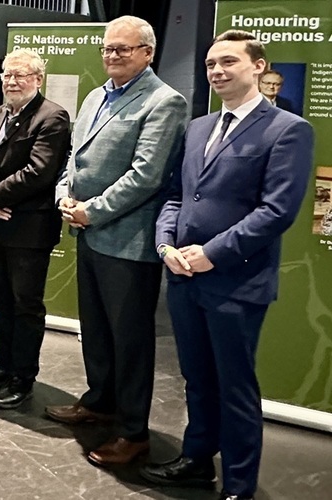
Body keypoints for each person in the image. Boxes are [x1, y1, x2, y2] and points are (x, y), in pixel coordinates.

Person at [141, 31, 314, 500]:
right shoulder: (197, 128)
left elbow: (277, 211)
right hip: (183, 277)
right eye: (211, 63)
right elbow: (177, 196)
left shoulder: (287, 129)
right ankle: (196, 461)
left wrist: (211, 253)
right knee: (196, 379)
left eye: (229, 62)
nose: (216, 71)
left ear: (258, 66)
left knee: (235, 387)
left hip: (236, 282)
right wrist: (165, 246)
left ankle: (239, 484)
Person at [49, 15, 188, 466]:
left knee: (129, 340)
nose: (111, 56)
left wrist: (94, 210)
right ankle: (99, 403)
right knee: (96, 331)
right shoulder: (95, 97)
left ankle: (133, 432)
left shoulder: (165, 101)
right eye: (108, 48)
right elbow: (75, 158)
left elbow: (147, 175)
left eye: (122, 49)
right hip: (87, 232)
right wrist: (64, 196)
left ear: (147, 53)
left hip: (127, 242)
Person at [0, 49, 72, 408]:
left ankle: (23, 377)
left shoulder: (52, 117)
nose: (11, 81)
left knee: (26, 305)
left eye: (20, 75)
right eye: (6, 75)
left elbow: (39, 172)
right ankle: (3, 364)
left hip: (29, 230)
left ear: (38, 80)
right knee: (1, 300)